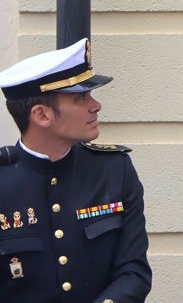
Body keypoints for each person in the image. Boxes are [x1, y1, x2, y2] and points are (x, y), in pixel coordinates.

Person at [0, 38, 151, 302]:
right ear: (42, 115)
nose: (96, 106)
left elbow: (133, 271)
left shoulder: (114, 169)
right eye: (81, 98)